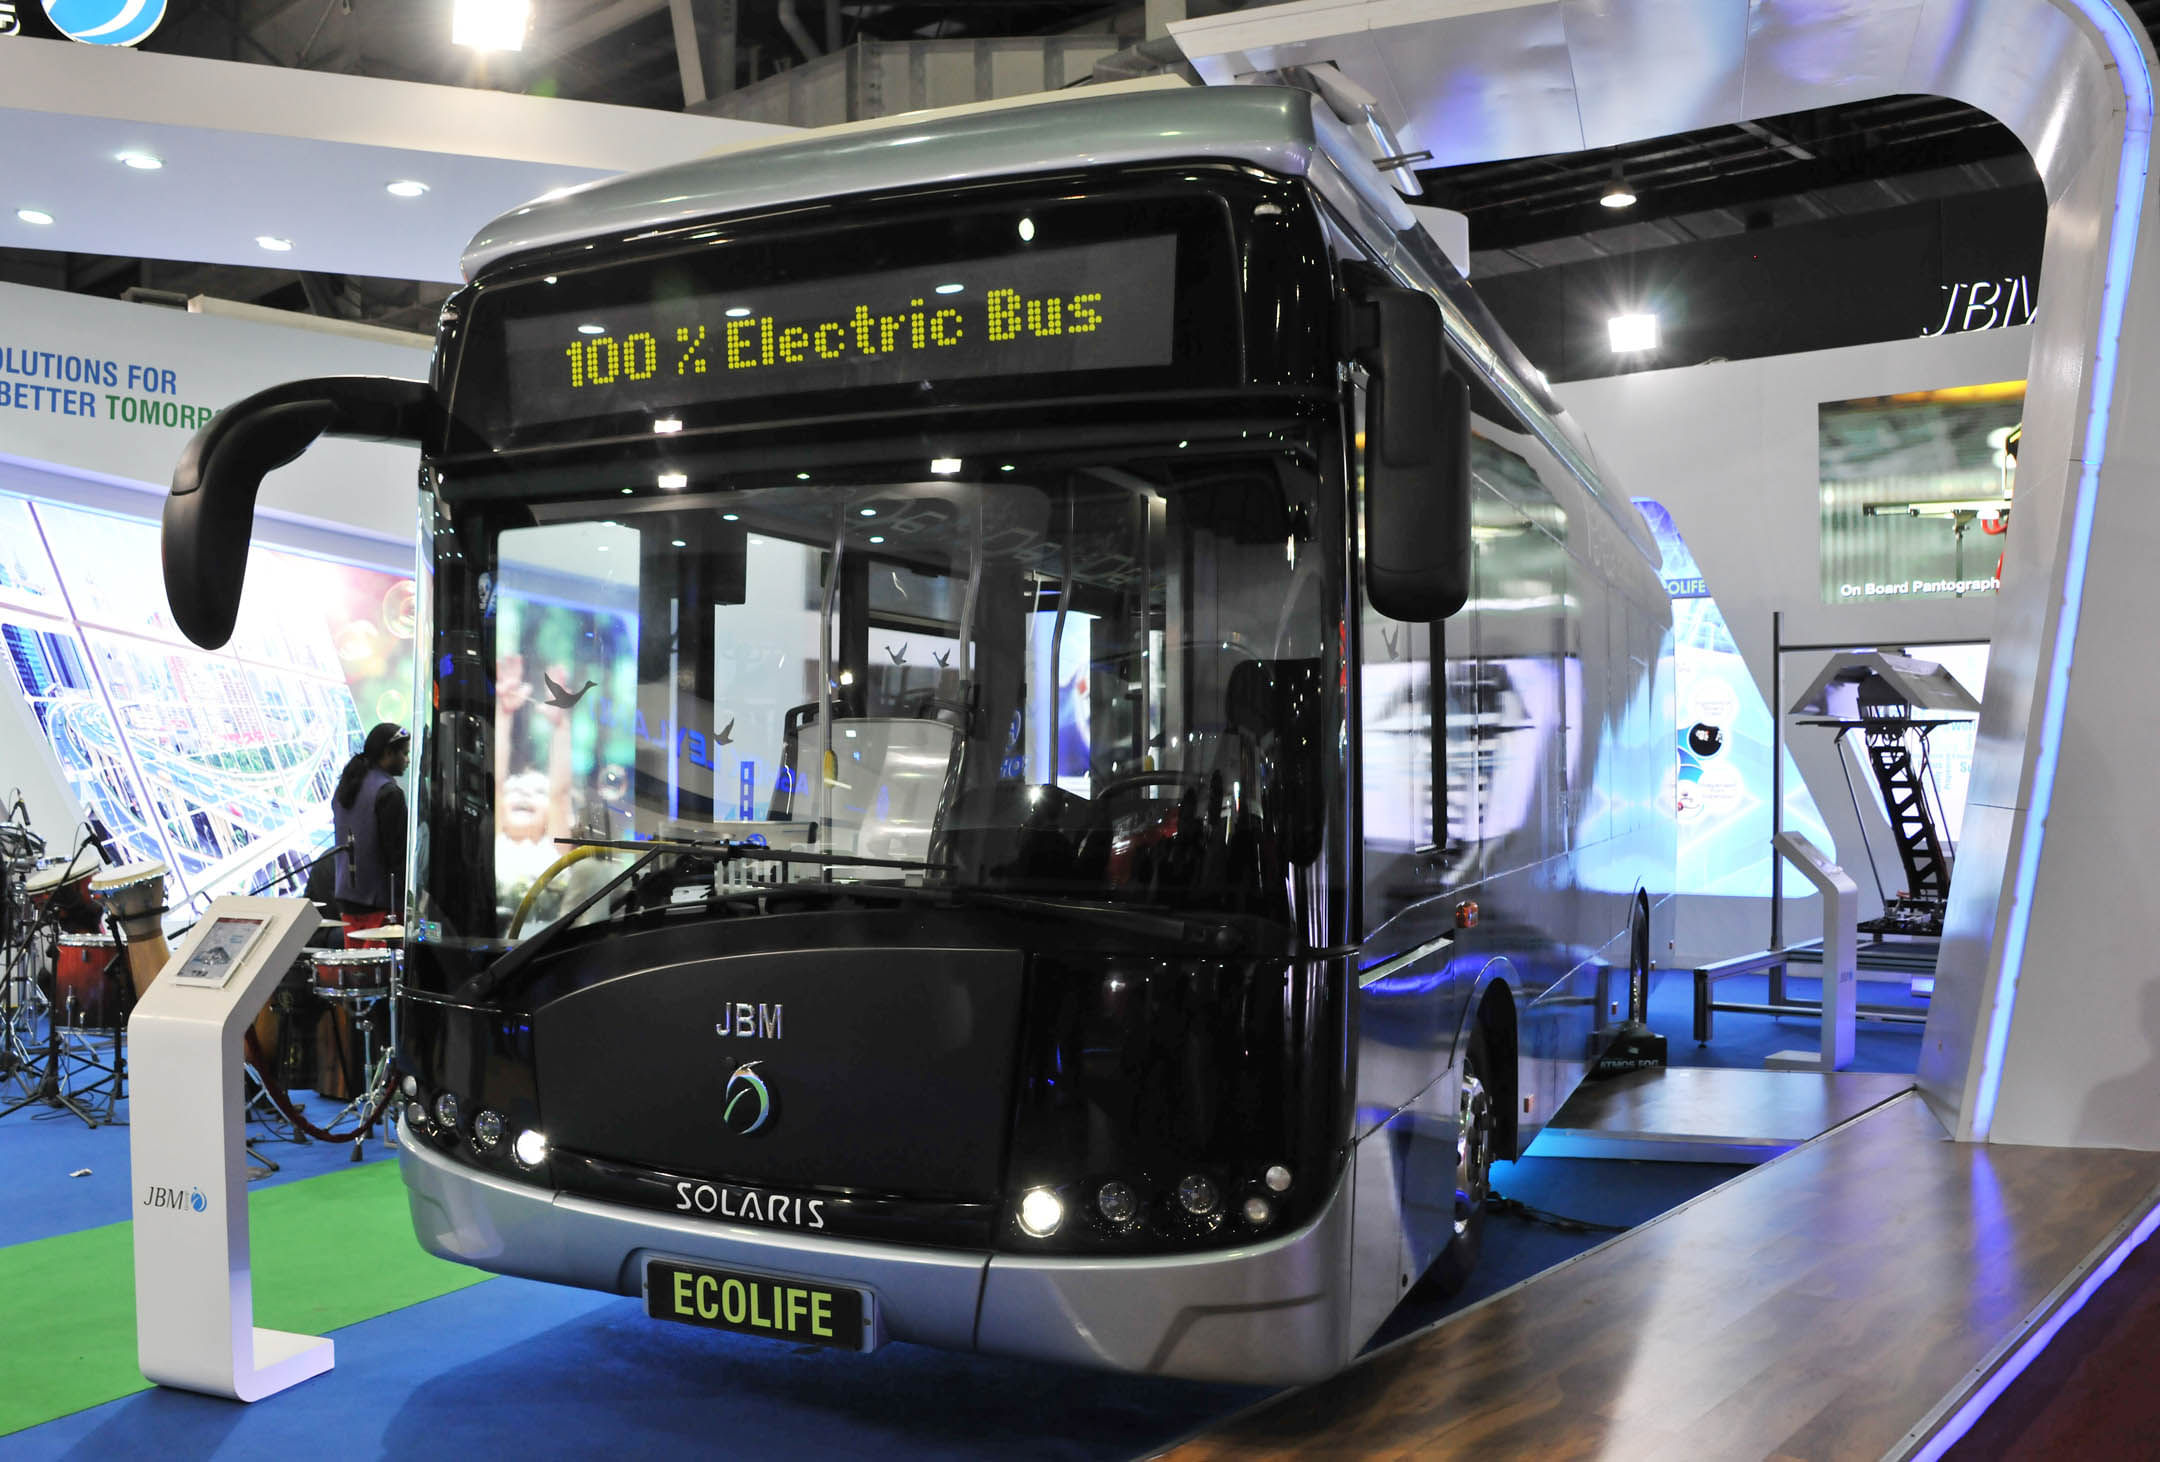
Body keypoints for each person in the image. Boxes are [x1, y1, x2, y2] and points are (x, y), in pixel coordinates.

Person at [332, 722, 409, 946]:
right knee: (382, 966)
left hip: (348, 899)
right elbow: (397, 855)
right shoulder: (388, 792)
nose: (407, 760)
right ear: (388, 753)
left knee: (357, 964)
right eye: (404, 754)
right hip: (380, 902)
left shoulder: (347, 786)